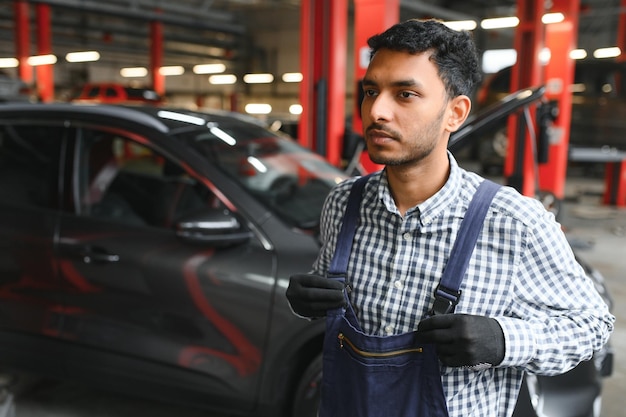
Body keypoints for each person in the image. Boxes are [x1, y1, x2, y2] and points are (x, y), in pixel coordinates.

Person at [286, 18, 615, 417]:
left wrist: (505, 339)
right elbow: (330, 298)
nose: (376, 111)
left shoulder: (513, 221)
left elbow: (592, 327)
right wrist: (305, 301)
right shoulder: (343, 204)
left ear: (455, 113)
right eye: (371, 91)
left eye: (404, 94)